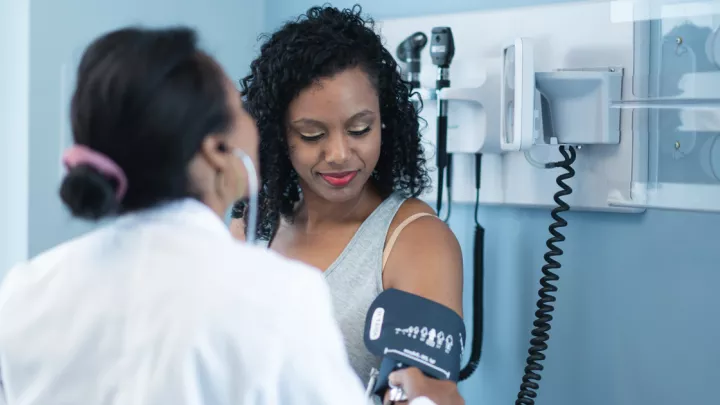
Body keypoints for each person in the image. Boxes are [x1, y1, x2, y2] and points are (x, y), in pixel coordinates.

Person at [0, 26, 462, 405]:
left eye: (359, 128)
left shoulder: (23, 291)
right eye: (242, 113)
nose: (338, 152)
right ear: (218, 152)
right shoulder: (274, 292)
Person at [230, 3, 464, 393]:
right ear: (278, 136)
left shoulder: (415, 241)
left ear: (384, 121)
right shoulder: (251, 226)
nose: (339, 153)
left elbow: (424, 389)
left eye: (360, 129)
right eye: (312, 135)